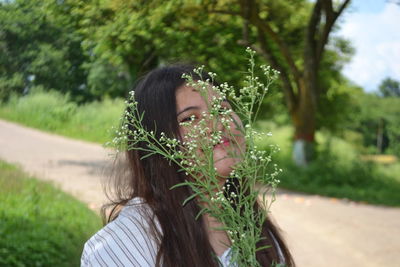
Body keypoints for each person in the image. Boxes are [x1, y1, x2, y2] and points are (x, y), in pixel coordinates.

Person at [81, 64, 294, 267]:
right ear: (155, 144)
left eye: (222, 109)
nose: (217, 124)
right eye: (190, 118)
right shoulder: (124, 243)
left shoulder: (256, 230)